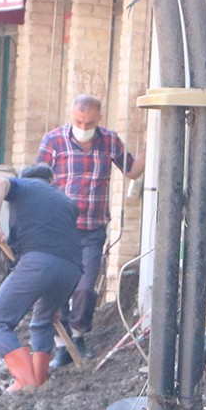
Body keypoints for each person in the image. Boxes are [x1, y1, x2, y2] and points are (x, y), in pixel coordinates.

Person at [36, 94, 143, 365]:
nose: (83, 127)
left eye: (89, 122)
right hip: (59, 229)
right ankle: (62, 345)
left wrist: (153, 143)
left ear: (99, 119)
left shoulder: (109, 141)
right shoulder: (54, 142)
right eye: (79, 122)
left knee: (84, 287)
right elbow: (38, 182)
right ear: (71, 117)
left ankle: (79, 335)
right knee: (59, 284)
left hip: (92, 229)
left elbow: (131, 170)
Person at [0, 165, 84, 392]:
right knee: (43, 321)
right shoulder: (66, 202)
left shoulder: (22, 186)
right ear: (51, 181)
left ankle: (27, 384)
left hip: (38, 264)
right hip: (72, 270)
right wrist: (56, 302)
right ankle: (38, 380)